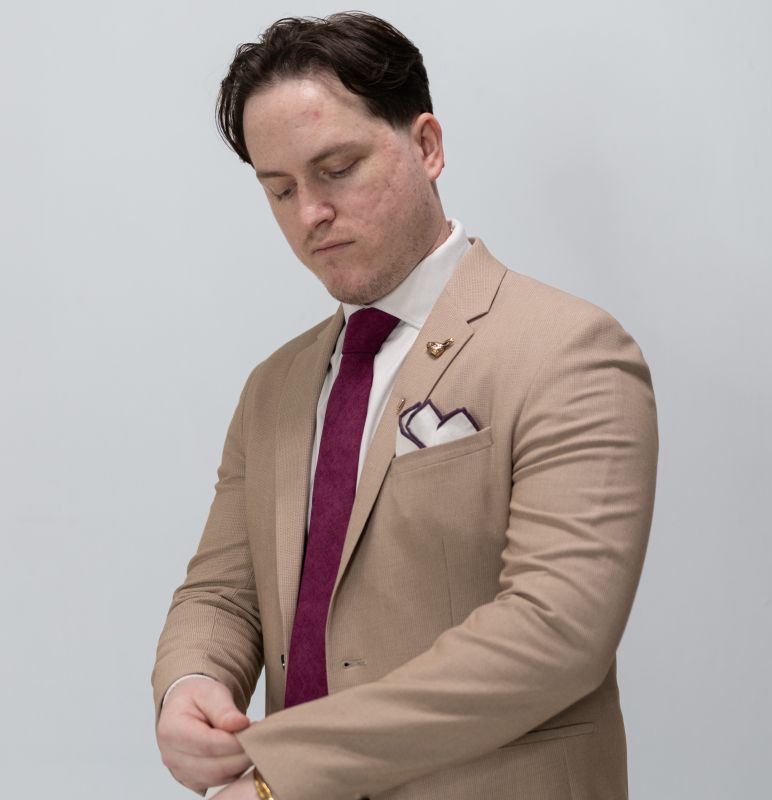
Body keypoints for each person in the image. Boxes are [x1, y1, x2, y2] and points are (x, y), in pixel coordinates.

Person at [152, 11, 658, 800]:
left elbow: (555, 634)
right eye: (278, 189)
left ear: (426, 146)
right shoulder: (275, 386)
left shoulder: (570, 349)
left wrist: (282, 767)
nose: (308, 213)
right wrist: (190, 682)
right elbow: (223, 590)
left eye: (337, 168)